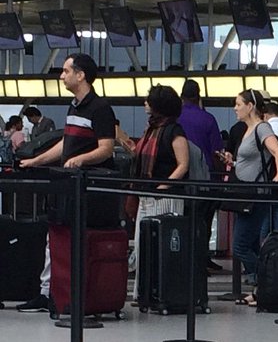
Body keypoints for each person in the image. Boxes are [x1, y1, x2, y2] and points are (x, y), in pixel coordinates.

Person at [15, 53, 117, 313]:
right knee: (57, 239)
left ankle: (73, 296)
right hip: (66, 187)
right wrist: (36, 160)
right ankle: (50, 293)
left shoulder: (100, 108)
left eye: (66, 71)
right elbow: (66, 144)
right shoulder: (74, 107)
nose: (61, 76)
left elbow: (106, 148)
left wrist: (81, 160)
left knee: (75, 242)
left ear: (80, 75)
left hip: (87, 192)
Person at [217, 89, 278, 304]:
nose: (235, 108)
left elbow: (277, 151)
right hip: (246, 193)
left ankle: (265, 281)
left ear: (250, 107)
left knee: (240, 246)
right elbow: (253, 161)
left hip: (255, 195)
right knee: (253, 244)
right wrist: (233, 163)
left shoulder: (262, 128)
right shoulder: (247, 130)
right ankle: (261, 290)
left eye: (239, 104)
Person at [122, 85, 190, 295]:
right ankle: (144, 292)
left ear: (158, 105)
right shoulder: (151, 130)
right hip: (146, 194)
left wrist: (165, 185)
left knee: (161, 244)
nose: (145, 103)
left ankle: (161, 292)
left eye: (149, 100)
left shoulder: (174, 131)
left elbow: (183, 164)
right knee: (142, 245)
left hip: (165, 196)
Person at [178, 78, 225, 272]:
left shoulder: (175, 117)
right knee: (204, 222)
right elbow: (216, 152)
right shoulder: (208, 119)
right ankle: (202, 259)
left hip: (180, 180)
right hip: (206, 180)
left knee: (183, 221)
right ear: (199, 97)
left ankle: (184, 260)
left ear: (181, 97)